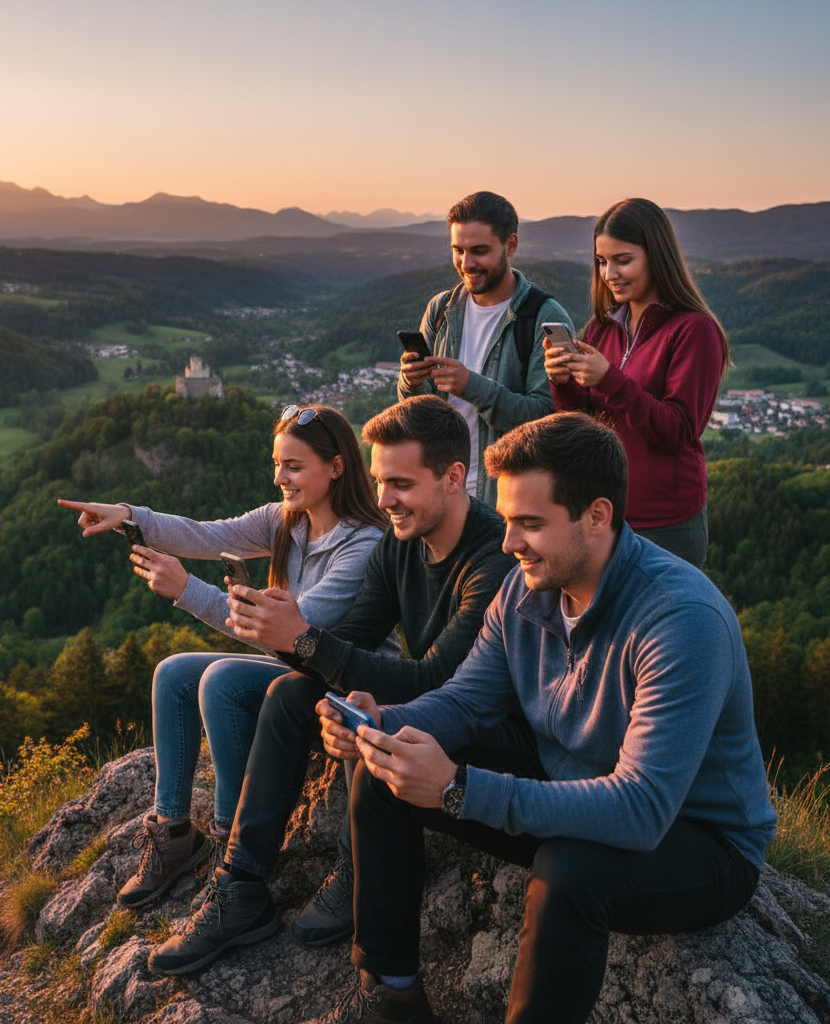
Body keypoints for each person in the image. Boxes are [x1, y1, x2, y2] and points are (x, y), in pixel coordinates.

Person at [309, 411, 776, 1024]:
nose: (508, 544)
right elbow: (467, 701)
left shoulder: (680, 620)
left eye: (530, 524)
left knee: (570, 871)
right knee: (387, 769)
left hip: (695, 839)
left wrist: (456, 790)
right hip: (568, 786)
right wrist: (383, 723)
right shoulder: (526, 589)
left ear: (598, 516)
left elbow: (640, 810)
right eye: (506, 522)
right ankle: (390, 991)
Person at [145, 395, 518, 975]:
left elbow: (441, 682)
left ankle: (358, 869)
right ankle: (241, 884)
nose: (383, 500)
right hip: (426, 706)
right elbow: (355, 638)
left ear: (453, 477)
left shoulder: (492, 560)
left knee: (352, 703)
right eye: (378, 481)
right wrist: (292, 638)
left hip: (484, 727)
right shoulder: (401, 544)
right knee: (290, 694)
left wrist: (306, 639)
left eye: (399, 483)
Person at [57, 403, 391, 908]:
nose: (279, 477)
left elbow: (277, 635)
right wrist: (128, 516)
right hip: (295, 672)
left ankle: (229, 843)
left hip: (341, 690)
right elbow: (207, 535)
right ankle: (172, 833)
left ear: (337, 466)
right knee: (174, 672)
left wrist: (184, 589)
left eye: (294, 467)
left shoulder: (361, 546)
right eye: (277, 464)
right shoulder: (287, 522)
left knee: (222, 678)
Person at [545, 197, 730, 568]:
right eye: (601, 261)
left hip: (665, 524)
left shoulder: (693, 330)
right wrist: (563, 381)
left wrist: (610, 380)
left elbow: (678, 430)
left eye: (622, 260)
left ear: (657, 256)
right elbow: (582, 427)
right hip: (604, 514)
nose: (609, 273)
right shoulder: (602, 328)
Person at [398, 190, 574, 505]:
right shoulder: (442, 309)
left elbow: (549, 421)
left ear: (511, 245)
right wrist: (410, 382)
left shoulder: (543, 317)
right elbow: (419, 412)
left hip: (503, 503)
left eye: (479, 250)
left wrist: (473, 387)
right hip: (441, 493)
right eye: (458, 250)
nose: (467, 263)